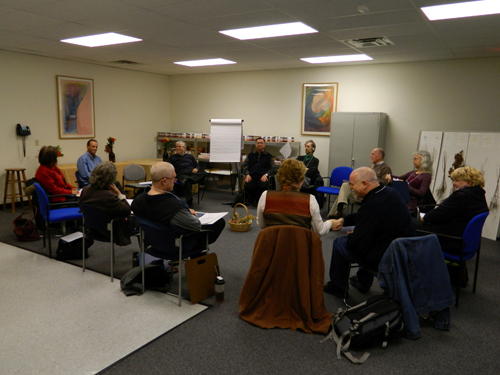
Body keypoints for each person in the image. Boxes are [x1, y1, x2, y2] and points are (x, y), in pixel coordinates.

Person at [324, 167, 416, 297]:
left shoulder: (373, 204)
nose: (350, 187)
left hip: (385, 258)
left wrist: (354, 235)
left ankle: (338, 287)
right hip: (402, 252)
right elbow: (364, 216)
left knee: (340, 243)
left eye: (352, 184)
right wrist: (343, 220)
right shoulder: (388, 192)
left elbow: (358, 244)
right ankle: (362, 282)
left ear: (364, 184)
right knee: (369, 240)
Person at [131, 162, 225, 254]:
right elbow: (195, 225)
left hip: (153, 243)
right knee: (219, 223)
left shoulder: (137, 200)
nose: (175, 181)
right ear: (164, 181)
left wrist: (184, 211)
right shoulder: (173, 207)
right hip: (175, 248)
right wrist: (184, 213)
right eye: (173, 178)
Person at [415, 166, 489, 253]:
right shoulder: (479, 195)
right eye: (453, 180)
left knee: (407, 222)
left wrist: (424, 218)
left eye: (457, 180)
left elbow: (435, 216)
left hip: (449, 240)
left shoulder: (461, 196)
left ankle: (409, 258)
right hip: (462, 238)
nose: (453, 183)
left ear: (470, 182)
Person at [256, 158, 335, 237]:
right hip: (300, 247)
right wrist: (330, 223)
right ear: (301, 179)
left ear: (279, 176)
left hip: (272, 246)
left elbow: (261, 224)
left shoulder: (265, 196)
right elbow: (319, 231)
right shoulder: (310, 200)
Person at [79, 162, 136, 246]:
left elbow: (80, 205)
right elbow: (127, 210)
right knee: (144, 219)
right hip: (112, 230)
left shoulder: (85, 190)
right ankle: (146, 252)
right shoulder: (108, 196)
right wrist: (119, 193)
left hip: (93, 228)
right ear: (112, 179)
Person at [328, 148, 392, 219]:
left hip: (370, 195)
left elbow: (385, 184)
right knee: (345, 186)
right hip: (360, 191)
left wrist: (372, 179)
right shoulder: (369, 167)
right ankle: (336, 214)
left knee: (343, 195)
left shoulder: (385, 168)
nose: (370, 156)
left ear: (379, 156)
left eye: (373, 154)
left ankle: (334, 217)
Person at [168, 141, 207, 208]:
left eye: (179, 146)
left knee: (204, 172)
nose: (177, 148)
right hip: (181, 173)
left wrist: (196, 169)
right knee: (187, 183)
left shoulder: (190, 157)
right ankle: (190, 202)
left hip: (192, 173)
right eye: (177, 146)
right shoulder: (172, 157)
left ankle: (189, 180)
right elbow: (169, 167)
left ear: (184, 148)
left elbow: (197, 166)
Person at [243, 137, 275, 205]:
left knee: (262, 186)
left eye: (261, 143)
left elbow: (273, 169)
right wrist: (247, 174)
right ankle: (250, 200)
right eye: (258, 143)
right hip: (251, 176)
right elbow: (245, 166)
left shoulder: (269, 156)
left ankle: (259, 202)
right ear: (255, 144)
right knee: (248, 185)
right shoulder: (250, 155)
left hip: (262, 176)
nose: (259, 144)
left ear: (264, 145)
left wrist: (266, 175)